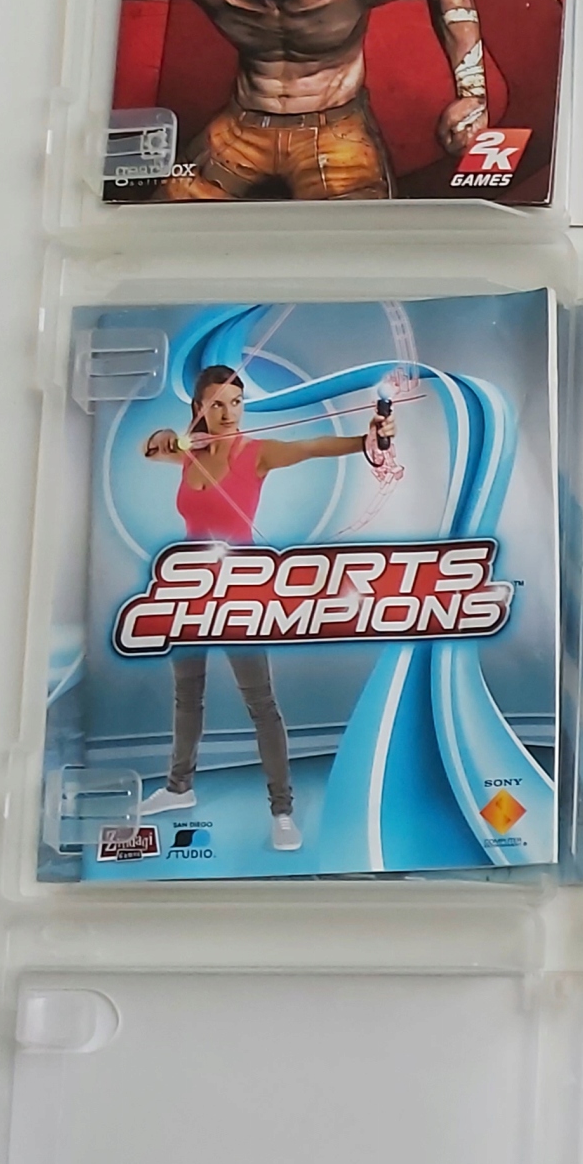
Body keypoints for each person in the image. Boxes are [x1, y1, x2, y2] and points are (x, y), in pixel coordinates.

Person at [138, 362, 397, 850]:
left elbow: (312, 446)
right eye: (217, 404)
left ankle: (282, 811)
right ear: (199, 407)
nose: (229, 413)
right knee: (186, 695)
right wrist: (166, 438)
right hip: (189, 590)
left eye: (236, 403)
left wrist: (368, 440)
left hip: (238, 591)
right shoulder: (191, 453)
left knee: (261, 704)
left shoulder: (256, 453)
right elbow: (149, 450)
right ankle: (178, 787)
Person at [121, 0, 493, 200]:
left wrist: (472, 92)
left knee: (365, 254)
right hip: (242, 125)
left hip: (336, 130)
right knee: (151, 233)